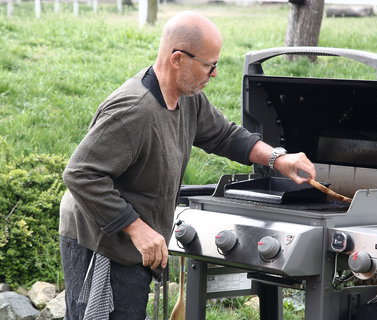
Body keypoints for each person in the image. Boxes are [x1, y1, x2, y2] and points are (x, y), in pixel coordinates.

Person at [59, 11, 316, 320]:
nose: (215, 74)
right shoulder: (133, 111)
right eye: (210, 65)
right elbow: (80, 173)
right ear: (178, 58)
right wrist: (137, 227)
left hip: (133, 237)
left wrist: (278, 158)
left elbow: (224, 135)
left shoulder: (187, 97)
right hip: (99, 239)